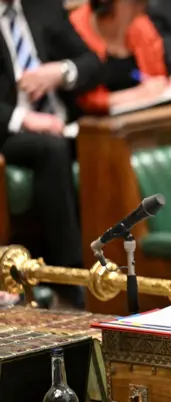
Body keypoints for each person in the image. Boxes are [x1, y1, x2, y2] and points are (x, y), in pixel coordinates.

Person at [0, 0, 103, 308]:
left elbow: (94, 62)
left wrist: (60, 71)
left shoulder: (41, 6)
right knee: (51, 149)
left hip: (61, 122)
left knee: (104, 142)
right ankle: (69, 278)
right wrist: (23, 118)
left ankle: (113, 274)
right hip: (9, 131)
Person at [70, 0, 171, 114]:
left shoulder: (141, 25)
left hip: (148, 117)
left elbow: (155, 77)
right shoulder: (76, 30)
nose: (142, 6)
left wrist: (168, 84)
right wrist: (134, 95)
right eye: (135, 2)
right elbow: (83, 99)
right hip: (98, 125)